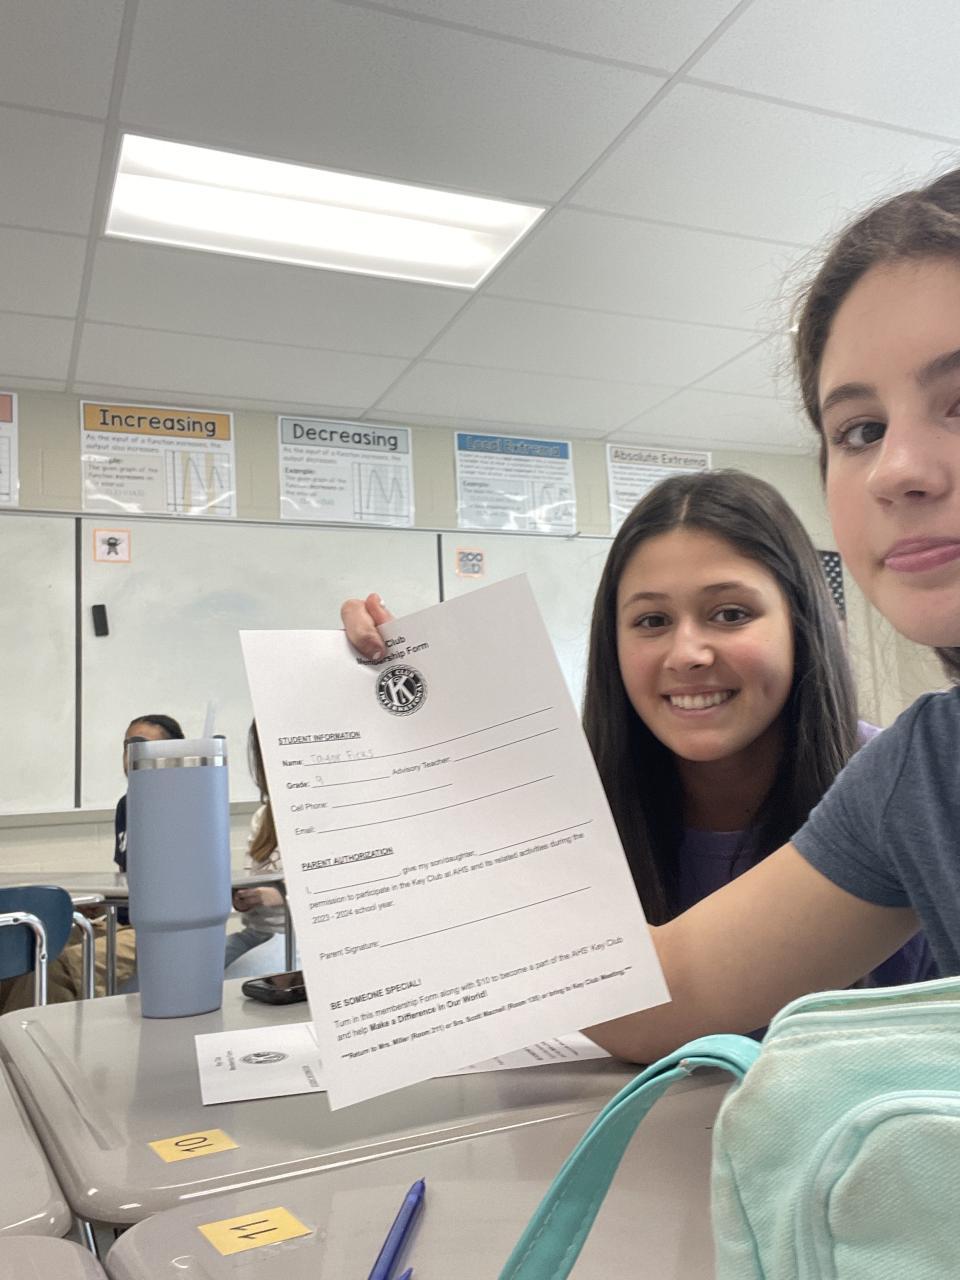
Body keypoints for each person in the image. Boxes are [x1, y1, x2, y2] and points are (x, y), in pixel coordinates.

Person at [345, 164, 960, 1062]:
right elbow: (667, 994)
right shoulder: (925, 774)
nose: (897, 469)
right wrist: (392, 739)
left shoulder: (881, 769)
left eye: (730, 613)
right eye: (860, 430)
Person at [341, 465, 935, 1003]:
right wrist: (376, 701)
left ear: (802, 624)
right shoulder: (563, 801)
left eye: (730, 613)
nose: (687, 653)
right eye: (651, 620)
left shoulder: (908, 789)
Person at [223, 722, 289, 979]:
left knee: (234, 986)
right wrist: (242, 898)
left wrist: (278, 895)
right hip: (257, 933)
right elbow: (250, 879)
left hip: (295, 937)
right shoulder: (263, 816)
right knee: (191, 970)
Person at [114, 714, 185, 876]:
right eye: (127, 748)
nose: (131, 757)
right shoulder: (126, 804)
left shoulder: (188, 806)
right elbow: (124, 872)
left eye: (142, 748)